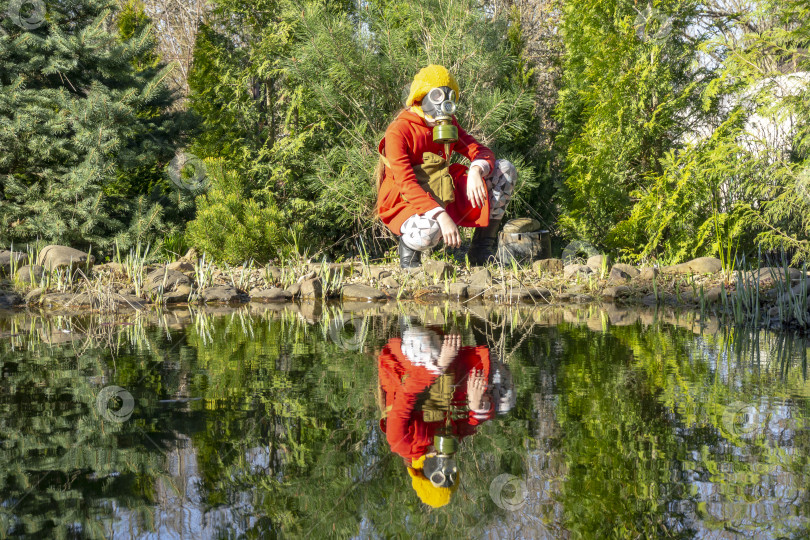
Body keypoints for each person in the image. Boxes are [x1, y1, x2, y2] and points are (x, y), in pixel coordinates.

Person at [376, 65, 517, 268]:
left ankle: (481, 250)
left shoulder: (448, 124)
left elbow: (481, 151)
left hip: (443, 191)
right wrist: (441, 216)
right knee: (431, 229)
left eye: (449, 96)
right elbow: (405, 182)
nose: (443, 103)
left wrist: (477, 169)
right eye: (436, 96)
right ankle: (409, 256)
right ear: (421, 96)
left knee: (504, 170)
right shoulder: (399, 130)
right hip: (406, 202)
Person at [377, 321, 498, 508]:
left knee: (426, 345)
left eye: (436, 474)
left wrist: (439, 364)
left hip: (407, 365)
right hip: (441, 368)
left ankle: (410, 317)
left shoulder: (400, 442)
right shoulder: (449, 442)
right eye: (450, 472)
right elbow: (475, 422)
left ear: (421, 473)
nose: (443, 467)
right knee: (503, 398)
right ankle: (483, 319)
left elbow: (407, 394)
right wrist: (477, 406)